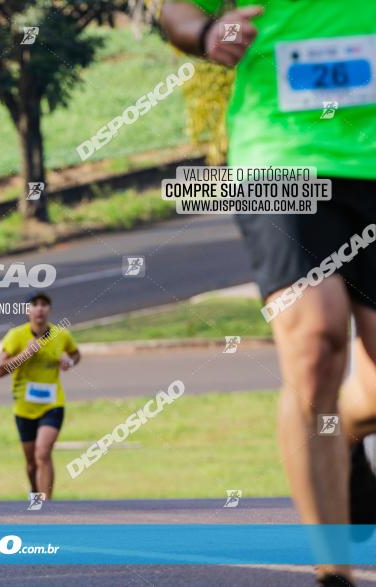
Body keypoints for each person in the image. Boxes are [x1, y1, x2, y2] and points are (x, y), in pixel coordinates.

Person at [161, 3, 376, 585]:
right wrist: (206, 32)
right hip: (280, 153)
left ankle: (350, 427)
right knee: (318, 338)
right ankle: (335, 571)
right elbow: (173, 9)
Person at [0, 292, 80, 499]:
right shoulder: (16, 336)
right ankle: (35, 493)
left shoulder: (61, 335)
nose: (39, 308)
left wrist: (69, 362)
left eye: (44, 304)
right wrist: (25, 354)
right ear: (28, 311)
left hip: (53, 403)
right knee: (32, 461)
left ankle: (46, 505)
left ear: (49, 309)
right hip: (24, 406)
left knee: (43, 453)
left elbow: (75, 354)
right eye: (35, 304)